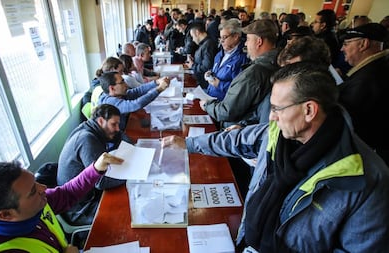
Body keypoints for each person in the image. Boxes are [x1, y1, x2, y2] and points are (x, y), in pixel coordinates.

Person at [162, 62, 389, 252]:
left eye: (277, 109)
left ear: (309, 110)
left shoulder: (368, 179)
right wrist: (188, 144)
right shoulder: (277, 132)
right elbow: (234, 140)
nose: (271, 117)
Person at [0, 152, 124, 252]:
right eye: (33, 190)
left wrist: (95, 169)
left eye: (36, 182)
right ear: (6, 215)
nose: (43, 188)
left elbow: (67, 193)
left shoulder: (35, 202)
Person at [57, 104, 131, 227]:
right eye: (114, 124)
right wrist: (134, 175)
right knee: (126, 213)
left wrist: (131, 146)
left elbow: (119, 134)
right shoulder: (86, 139)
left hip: (89, 194)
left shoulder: (91, 127)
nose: (117, 128)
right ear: (101, 121)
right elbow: (101, 182)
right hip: (81, 208)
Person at [200, 19, 279, 129]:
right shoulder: (277, 63)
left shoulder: (254, 72)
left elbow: (227, 110)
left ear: (259, 42)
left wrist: (206, 105)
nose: (245, 43)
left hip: (234, 129)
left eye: (248, 39)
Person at [339, 23, 389, 165]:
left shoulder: (369, 79)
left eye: (347, 43)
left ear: (363, 44)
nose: (342, 48)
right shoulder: (378, 67)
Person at [98, 71, 170, 130]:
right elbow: (136, 104)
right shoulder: (109, 102)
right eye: (122, 82)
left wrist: (156, 82)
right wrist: (159, 89)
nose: (126, 84)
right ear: (112, 88)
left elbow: (137, 91)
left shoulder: (118, 94)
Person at [205, 18, 248, 101]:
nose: (221, 41)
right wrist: (210, 73)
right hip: (211, 98)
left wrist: (219, 84)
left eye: (224, 37)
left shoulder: (243, 58)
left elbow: (240, 89)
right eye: (220, 37)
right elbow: (218, 71)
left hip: (225, 104)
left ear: (235, 36)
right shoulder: (219, 54)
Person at [184, 22, 218, 89]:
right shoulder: (204, 43)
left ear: (197, 33)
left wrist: (192, 65)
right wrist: (194, 61)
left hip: (205, 85)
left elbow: (207, 66)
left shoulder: (208, 44)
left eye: (193, 36)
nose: (193, 40)